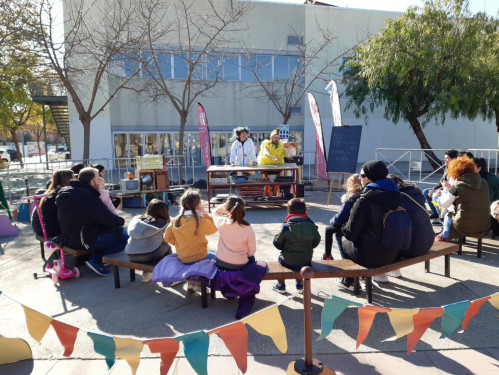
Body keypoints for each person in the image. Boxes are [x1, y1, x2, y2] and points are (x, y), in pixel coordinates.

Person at [340, 160, 408, 286]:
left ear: (370, 178)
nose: (360, 178)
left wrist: (343, 225)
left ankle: (349, 282)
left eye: (362, 175)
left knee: (343, 241)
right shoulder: (397, 194)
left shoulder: (364, 200)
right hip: (394, 252)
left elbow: (350, 233)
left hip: (371, 256)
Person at [56, 167, 128, 276]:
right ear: (92, 182)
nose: (100, 181)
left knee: (113, 230)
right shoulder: (89, 197)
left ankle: (92, 258)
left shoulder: (68, 192)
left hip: (68, 237)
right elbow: (107, 218)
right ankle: (95, 260)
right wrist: (120, 221)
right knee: (125, 236)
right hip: (84, 240)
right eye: (99, 179)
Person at [164, 188, 218, 292]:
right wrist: (206, 214)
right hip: (200, 256)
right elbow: (215, 227)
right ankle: (199, 283)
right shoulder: (199, 220)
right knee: (216, 259)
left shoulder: (176, 219)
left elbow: (167, 237)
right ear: (198, 205)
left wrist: (180, 243)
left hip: (183, 257)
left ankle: (191, 283)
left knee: (194, 261)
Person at [435, 156, 490, 241]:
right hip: (484, 223)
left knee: (448, 215)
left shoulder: (457, 186)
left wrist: (446, 188)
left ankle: (446, 238)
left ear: (456, 171)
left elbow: (444, 204)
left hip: (465, 225)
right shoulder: (484, 182)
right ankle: (445, 235)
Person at [272, 198, 321, 293]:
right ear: (305, 211)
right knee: (300, 264)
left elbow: (276, 243)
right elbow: (316, 241)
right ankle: (299, 284)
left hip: (288, 261)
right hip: (306, 260)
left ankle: (281, 285)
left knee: (278, 261)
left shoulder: (286, 227)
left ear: (289, 212)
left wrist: (284, 248)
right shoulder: (311, 225)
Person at [125, 199, 172, 282]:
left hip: (130, 253)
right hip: (149, 254)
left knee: (148, 245)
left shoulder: (138, 219)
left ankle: (147, 273)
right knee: (167, 247)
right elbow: (166, 240)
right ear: (164, 212)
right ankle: (169, 274)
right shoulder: (162, 223)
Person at [323, 174, 362, 261]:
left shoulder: (350, 199)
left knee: (331, 230)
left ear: (351, 185)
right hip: (361, 224)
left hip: (350, 226)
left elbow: (342, 216)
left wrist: (332, 221)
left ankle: (331, 256)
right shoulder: (365, 195)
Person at [212, 196, 256, 270]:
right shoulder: (248, 228)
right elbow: (252, 251)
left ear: (226, 209)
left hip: (221, 262)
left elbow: (215, 212)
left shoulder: (222, 222)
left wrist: (225, 205)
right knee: (252, 258)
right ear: (243, 209)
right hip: (241, 264)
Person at [31, 169, 74, 238]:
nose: (76, 180)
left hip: (51, 230)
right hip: (55, 233)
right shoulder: (59, 195)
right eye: (73, 178)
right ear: (66, 180)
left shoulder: (52, 192)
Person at [422, 149, 458, 221]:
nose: (445, 160)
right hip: (444, 189)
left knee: (435, 197)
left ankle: (441, 219)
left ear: (454, 159)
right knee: (426, 191)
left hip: (449, 192)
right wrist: (433, 189)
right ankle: (435, 213)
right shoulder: (447, 168)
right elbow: (441, 181)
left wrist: (441, 191)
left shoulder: (458, 170)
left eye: (447, 158)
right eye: (444, 158)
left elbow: (453, 186)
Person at [257, 128, 291, 197]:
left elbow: (284, 151)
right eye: (275, 137)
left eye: (277, 138)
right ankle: (267, 195)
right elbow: (266, 152)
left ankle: (275, 195)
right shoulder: (266, 144)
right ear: (271, 137)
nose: (276, 139)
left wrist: (289, 156)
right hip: (267, 165)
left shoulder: (280, 145)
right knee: (267, 181)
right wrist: (272, 157)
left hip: (277, 165)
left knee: (277, 180)